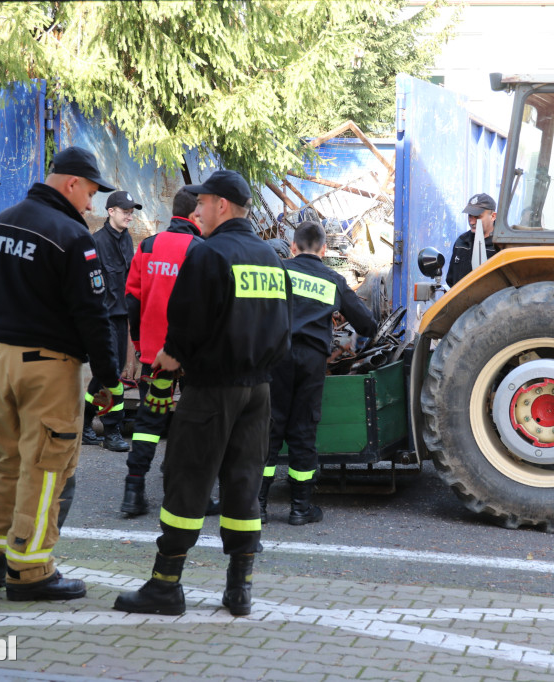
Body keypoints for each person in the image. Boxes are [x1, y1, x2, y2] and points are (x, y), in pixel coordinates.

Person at [113, 169, 291, 617]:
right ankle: (239, 590)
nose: (198, 211)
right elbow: (282, 331)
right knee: (244, 484)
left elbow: (187, 320)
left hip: (212, 389)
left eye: (204, 203)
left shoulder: (210, 254)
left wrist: (169, 360)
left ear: (222, 206)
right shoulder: (270, 258)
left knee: (187, 478)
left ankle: (165, 586)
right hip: (259, 392)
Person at [0, 147, 122, 601]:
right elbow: (94, 315)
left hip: (2, 363)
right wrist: (109, 378)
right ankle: (30, 571)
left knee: (6, 462)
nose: (91, 205)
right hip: (49, 370)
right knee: (46, 468)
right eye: (90, 193)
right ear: (72, 183)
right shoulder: (72, 237)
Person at [260, 220, 378, 525]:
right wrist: (355, 339)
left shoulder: (279, 271)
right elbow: (367, 324)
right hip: (312, 361)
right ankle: (300, 508)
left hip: (277, 357)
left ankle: (256, 505)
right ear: (324, 250)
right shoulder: (333, 279)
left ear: (294, 247)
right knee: (303, 431)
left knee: (269, 428)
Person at [119, 189, 203, 516]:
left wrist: (141, 348)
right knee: (195, 420)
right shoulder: (200, 250)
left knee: (148, 420)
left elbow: (132, 301)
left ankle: (133, 489)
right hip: (192, 359)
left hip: (154, 356)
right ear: (196, 214)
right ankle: (185, 489)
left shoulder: (148, 246)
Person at [81, 189, 141, 452]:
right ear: (111, 211)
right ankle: (112, 431)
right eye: (125, 212)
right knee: (113, 376)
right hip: (102, 318)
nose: (129, 216)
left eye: (131, 212)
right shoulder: (96, 242)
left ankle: (83, 423)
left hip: (121, 316)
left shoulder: (126, 239)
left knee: (104, 374)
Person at [446, 193, 498, 287]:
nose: (472, 221)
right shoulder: (461, 242)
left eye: (477, 217)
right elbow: (451, 279)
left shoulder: (502, 246)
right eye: (470, 216)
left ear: (493, 216)